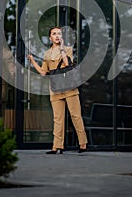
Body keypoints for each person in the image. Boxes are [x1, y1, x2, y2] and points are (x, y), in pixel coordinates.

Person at [28, 26, 88, 154]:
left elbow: (66, 64)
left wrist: (61, 48)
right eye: (54, 34)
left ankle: (82, 143)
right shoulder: (47, 54)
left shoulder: (67, 49)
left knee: (75, 115)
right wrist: (32, 61)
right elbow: (44, 73)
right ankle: (56, 146)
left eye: (59, 34)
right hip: (55, 88)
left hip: (69, 87)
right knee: (57, 118)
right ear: (50, 37)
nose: (57, 36)